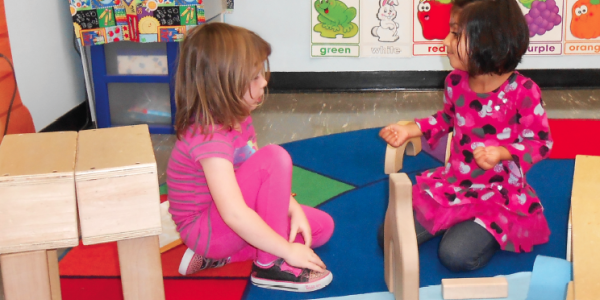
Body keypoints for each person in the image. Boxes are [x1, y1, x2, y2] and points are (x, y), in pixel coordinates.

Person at [378, 0, 553, 272]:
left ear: (489, 39)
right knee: (389, 236)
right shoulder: (456, 82)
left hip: (498, 195)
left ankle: (491, 232)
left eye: (456, 34)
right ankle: (458, 217)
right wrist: (411, 129)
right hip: (456, 184)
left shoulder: (523, 91)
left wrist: (503, 152)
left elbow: (540, 143)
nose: (446, 41)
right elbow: (448, 117)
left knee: (455, 256)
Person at [167, 23, 334, 292]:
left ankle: (226, 257)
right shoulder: (209, 137)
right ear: (224, 84)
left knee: (321, 228)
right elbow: (234, 212)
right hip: (206, 230)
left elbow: (253, 176)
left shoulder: (239, 118)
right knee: (274, 157)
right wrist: (286, 251)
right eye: (255, 77)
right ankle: (270, 266)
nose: (264, 81)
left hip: (228, 220)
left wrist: (292, 209)